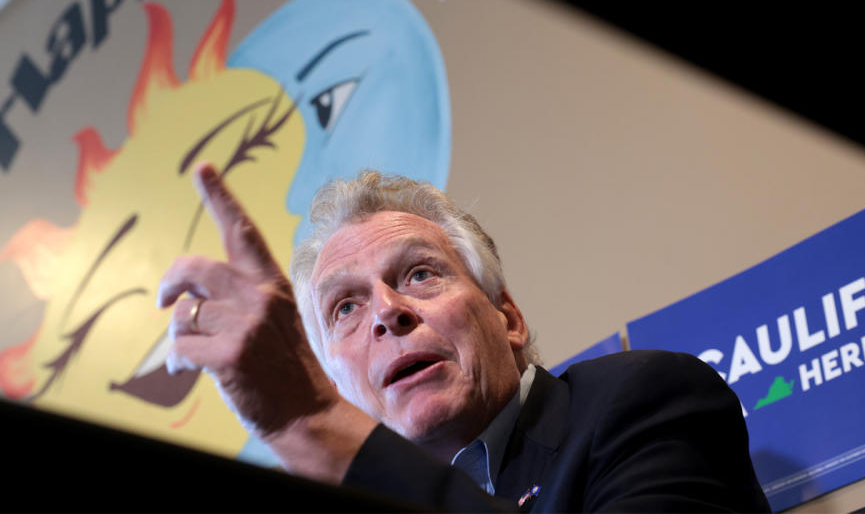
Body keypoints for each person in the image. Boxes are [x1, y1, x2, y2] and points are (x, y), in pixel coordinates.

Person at [159, 163, 771, 512]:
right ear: (338, 378)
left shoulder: (646, 400)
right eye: (345, 307)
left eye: (419, 273)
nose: (387, 312)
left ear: (507, 318)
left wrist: (312, 419)